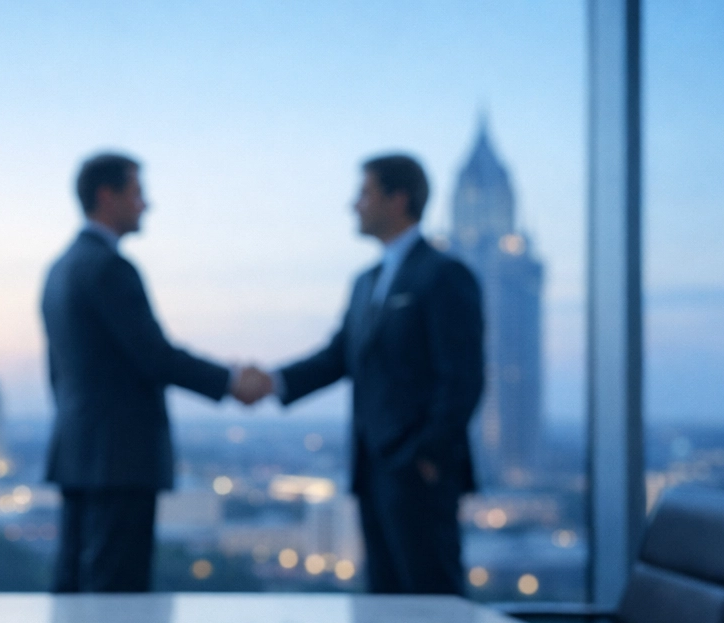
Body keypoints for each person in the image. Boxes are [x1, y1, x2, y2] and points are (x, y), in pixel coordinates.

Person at [41, 152, 269, 593]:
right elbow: (155, 356)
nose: (146, 205)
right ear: (107, 196)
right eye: (137, 193)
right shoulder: (110, 268)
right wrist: (230, 381)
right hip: (120, 458)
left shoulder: (60, 269)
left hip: (78, 453)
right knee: (117, 597)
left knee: (73, 590)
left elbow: (59, 373)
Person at [258, 154, 484, 594]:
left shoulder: (444, 276)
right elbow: (339, 357)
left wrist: (427, 457)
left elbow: (463, 379)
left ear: (398, 199)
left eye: (364, 194)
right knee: (384, 603)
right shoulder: (366, 281)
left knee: (432, 602)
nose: (354, 205)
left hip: (418, 473)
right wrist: (273, 382)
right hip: (373, 469)